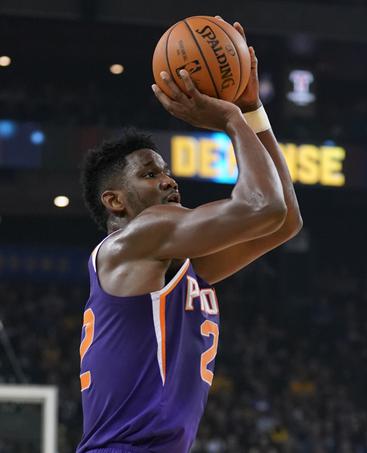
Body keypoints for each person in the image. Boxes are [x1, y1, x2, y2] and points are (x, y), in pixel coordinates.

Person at [77, 22, 302, 453]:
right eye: (149, 174)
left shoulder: (177, 266)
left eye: (166, 171)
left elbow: (285, 220)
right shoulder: (138, 237)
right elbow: (264, 206)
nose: (167, 181)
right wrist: (232, 118)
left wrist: (253, 110)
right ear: (115, 202)